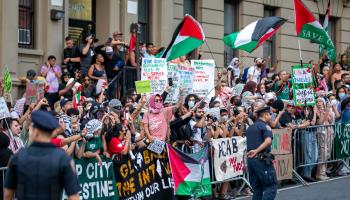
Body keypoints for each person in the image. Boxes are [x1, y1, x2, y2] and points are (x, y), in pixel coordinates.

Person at [4, 110, 80, 200]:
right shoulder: (63, 159)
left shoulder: (17, 158)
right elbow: (74, 197)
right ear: (52, 132)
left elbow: (8, 195)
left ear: (35, 131)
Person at [246, 106, 277, 200]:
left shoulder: (250, 128)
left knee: (257, 189)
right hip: (261, 159)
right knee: (271, 185)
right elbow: (268, 141)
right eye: (270, 114)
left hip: (251, 161)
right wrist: (257, 151)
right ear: (265, 115)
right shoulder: (265, 126)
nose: (271, 117)